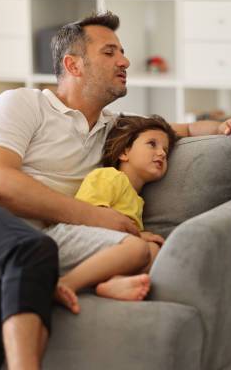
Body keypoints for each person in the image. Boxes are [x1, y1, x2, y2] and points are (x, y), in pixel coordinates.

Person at [0, 11, 231, 370]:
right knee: (34, 249)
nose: (124, 60)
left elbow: (178, 130)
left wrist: (226, 125)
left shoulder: (114, 131)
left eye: (122, 52)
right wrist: (96, 217)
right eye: (109, 52)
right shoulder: (24, 103)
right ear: (73, 65)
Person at [46, 114, 177, 314]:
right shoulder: (109, 176)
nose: (161, 153)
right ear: (124, 152)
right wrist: (137, 235)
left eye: (166, 151)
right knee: (139, 248)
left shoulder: (138, 201)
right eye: (152, 144)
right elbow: (90, 214)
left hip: (103, 247)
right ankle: (64, 284)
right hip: (73, 236)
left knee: (152, 251)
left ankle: (113, 282)